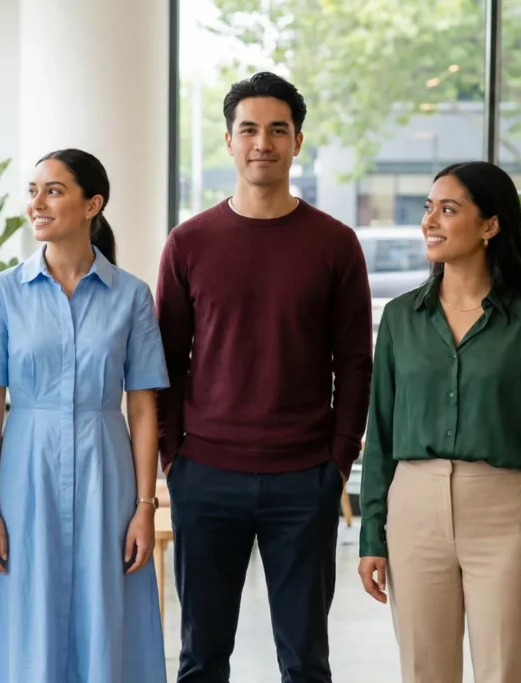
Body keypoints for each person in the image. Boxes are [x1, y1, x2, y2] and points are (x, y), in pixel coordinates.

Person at [157, 71, 374, 682]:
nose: (263, 142)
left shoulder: (335, 243)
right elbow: (166, 361)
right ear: (228, 141)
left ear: (298, 142)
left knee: (305, 659)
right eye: (248, 129)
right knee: (201, 658)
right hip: (205, 476)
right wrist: (175, 457)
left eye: (278, 130)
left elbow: (355, 363)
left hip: (303, 478)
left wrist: (336, 459)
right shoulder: (189, 242)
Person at [357, 161, 521, 683]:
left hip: (503, 512)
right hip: (414, 510)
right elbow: (380, 430)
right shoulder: (401, 318)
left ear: (490, 225)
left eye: (449, 209)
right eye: (429, 207)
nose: (431, 220)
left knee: (509, 670)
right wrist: (372, 534)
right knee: (424, 670)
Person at [0, 149, 170, 683]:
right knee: (26, 612)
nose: (36, 202)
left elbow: (143, 408)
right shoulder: (3, 292)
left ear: (91, 204)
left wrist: (145, 506)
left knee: (106, 610)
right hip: (24, 473)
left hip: (108, 472)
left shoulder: (131, 296)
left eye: (52, 190)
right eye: (33, 190)